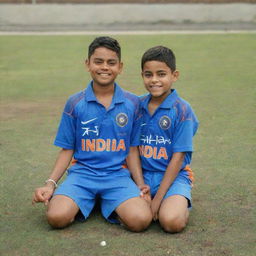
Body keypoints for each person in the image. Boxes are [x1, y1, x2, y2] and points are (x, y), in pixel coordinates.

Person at [32, 36, 152, 232]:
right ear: (88, 64)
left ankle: (104, 201)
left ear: (120, 67)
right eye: (98, 61)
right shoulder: (75, 102)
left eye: (111, 63)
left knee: (140, 221)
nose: (105, 67)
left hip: (117, 177)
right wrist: (50, 184)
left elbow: (132, 149)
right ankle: (84, 199)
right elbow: (67, 149)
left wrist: (140, 185)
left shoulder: (132, 103)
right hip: (82, 175)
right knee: (56, 217)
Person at [139, 46, 199, 233]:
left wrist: (157, 200)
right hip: (141, 178)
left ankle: (175, 203)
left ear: (174, 75)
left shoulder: (182, 110)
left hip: (173, 177)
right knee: (137, 219)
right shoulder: (136, 105)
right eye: (148, 75)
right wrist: (140, 184)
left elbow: (179, 157)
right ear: (142, 75)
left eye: (161, 74)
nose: (154, 80)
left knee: (171, 222)